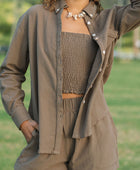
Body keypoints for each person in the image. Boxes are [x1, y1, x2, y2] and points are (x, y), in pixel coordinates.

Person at [0, 0, 140, 169]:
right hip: (46, 132)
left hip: (95, 132)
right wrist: (22, 119)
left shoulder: (109, 20)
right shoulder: (35, 16)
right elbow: (10, 73)